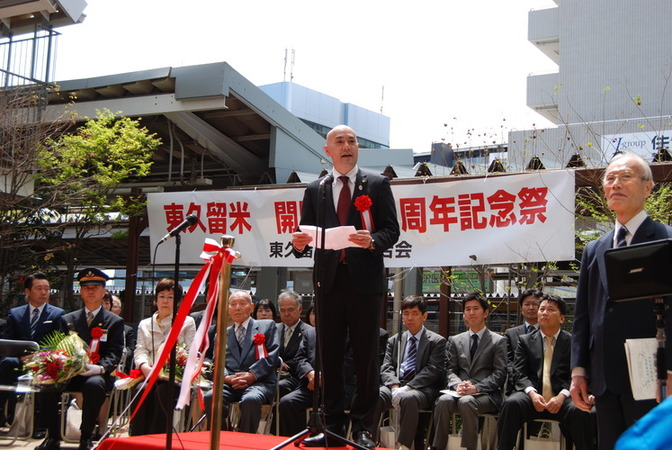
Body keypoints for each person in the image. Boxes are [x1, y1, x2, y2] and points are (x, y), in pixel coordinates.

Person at [292, 124, 400, 449]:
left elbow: (392, 230)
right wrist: (298, 242)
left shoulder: (378, 184)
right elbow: (305, 234)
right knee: (330, 356)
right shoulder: (316, 189)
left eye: (352, 140)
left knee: (367, 356)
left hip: (365, 283)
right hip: (329, 283)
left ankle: (364, 427)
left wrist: (373, 241)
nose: (346, 145)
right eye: (339, 141)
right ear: (328, 151)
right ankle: (332, 425)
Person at [570, 152, 672, 450]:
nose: (615, 184)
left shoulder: (666, 240)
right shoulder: (594, 249)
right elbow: (583, 317)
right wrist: (579, 371)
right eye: (610, 179)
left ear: (647, 187)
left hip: (655, 376)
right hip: (604, 376)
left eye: (625, 177)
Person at [37, 267, 125, 450]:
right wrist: (59, 364)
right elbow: (59, 347)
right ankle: (52, 435)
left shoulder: (114, 321)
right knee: (46, 383)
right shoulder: (67, 319)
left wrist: (100, 368)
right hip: (69, 373)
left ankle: (86, 436)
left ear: (104, 291)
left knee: (94, 386)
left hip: (96, 373)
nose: (91, 291)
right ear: (80, 291)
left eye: (95, 287)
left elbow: (115, 353)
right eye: (86, 287)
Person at [497, 294, 596, 449]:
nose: (544, 312)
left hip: (562, 398)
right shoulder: (525, 341)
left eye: (550, 309)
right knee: (511, 404)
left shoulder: (572, 342)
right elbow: (518, 373)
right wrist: (532, 394)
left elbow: (576, 376)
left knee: (581, 412)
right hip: (532, 398)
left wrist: (562, 397)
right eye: (541, 309)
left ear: (562, 318)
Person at [431, 292, 507, 450]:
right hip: (459, 391)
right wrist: (457, 385)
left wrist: (477, 388)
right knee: (443, 401)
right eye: (467, 309)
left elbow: (499, 374)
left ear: (485, 313)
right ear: (464, 313)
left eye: (476, 309)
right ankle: (438, 446)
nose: (471, 313)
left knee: (467, 402)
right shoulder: (455, 340)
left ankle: (468, 448)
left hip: (487, 394)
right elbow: (450, 369)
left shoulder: (498, 341)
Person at [374, 296, 446, 450]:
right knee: (377, 394)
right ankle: (370, 440)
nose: (410, 317)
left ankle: (404, 446)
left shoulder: (437, 341)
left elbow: (433, 370)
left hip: (421, 389)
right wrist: (394, 386)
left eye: (414, 313)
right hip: (396, 384)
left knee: (409, 397)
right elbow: (386, 367)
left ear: (424, 316)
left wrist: (408, 387)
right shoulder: (395, 340)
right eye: (406, 313)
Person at [203, 291, 279, 434]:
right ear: (228, 309)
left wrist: (252, 375)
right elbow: (216, 362)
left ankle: (245, 439)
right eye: (233, 304)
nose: (237, 308)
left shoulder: (267, 326)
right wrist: (226, 378)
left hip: (258, 382)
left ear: (251, 307)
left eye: (242, 304)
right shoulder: (222, 334)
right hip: (230, 382)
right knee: (211, 397)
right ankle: (221, 436)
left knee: (250, 400)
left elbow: (272, 357)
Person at [130, 278, 196, 435]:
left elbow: (191, 351)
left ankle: (156, 438)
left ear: (178, 301)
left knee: (163, 392)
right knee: (141, 390)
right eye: (162, 296)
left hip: (173, 377)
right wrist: (144, 366)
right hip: (149, 373)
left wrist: (172, 367)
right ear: (156, 299)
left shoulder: (186, 322)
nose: (165, 300)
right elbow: (140, 349)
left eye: (171, 297)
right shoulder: (145, 324)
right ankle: (137, 438)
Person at [0, 273, 64, 435]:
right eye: (39, 289)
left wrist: (40, 356)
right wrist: (19, 355)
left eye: (47, 289)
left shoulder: (57, 314)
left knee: (47, 371)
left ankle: (39, 425)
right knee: (6, 363)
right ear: (27, 291)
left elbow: (59, 343)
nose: (44, 292)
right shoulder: (15, 313)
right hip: (19, 360)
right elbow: (8, 341)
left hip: (44, 361)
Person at [504, 288, 542, 394]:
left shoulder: (548, 333)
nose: (531, 307)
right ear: (521, 309)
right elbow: (508, 363)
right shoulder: (510, 334)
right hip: (517, 387)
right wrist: (522, 383)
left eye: (535, 304)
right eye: (527, 304)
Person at [277, 291, 313, 398]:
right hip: (274, 375)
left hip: (298, 378)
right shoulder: (273, 329)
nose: (286, 314)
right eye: (282, 310)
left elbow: (308, 358)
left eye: (290, 309)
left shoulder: (309, 332)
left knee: (278, 387)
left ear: (300, 309)